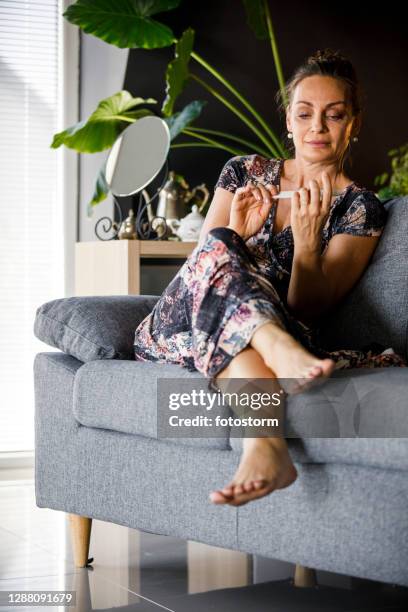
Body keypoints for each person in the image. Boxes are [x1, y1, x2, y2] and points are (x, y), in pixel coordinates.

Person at [134, 48, 407, 507]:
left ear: (353, 124)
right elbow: (200, 269)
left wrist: (306, 242)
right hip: (180, 325)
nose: (317, 127)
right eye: (304, 113)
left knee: (240, 331)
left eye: (334, 115)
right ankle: (276, 347)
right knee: (220, 246)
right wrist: (235, 232)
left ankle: (266, 446)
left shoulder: (360, 208)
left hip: (251, 330)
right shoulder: (242, 172)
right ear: (288, 122)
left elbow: (308, 308)